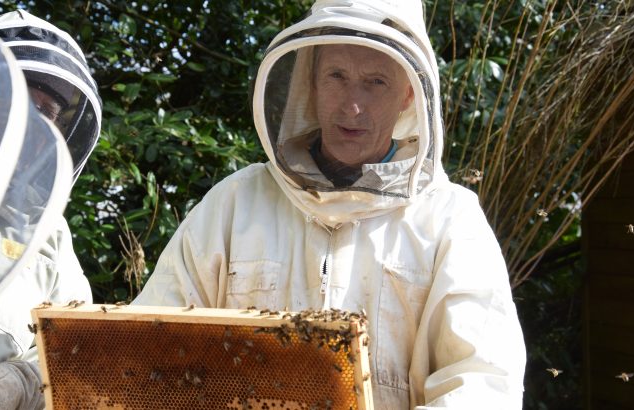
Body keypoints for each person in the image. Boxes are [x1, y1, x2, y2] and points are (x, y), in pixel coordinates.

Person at [133, 0, 526, 408]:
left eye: (376, 82)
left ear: (409, 94)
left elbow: (482, 382)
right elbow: (150, 345)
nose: (352, 105)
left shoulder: (449, 220)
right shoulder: (234, 205)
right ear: (312, 82)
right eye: (337, 75)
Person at [0, 9, 101, 409]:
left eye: (46, 112)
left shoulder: (49, 234)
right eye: (15, 95)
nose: (29, 121)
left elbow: (82, 355)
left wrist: (22, 380)